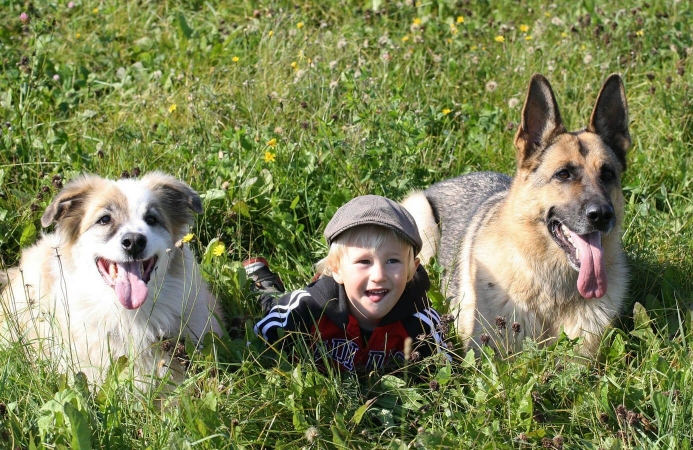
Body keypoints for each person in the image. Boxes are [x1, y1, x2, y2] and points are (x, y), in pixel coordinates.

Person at [246, 195, 447, 372]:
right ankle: (263, 282)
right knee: (271, 303)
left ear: (412, 269)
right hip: (297, 308)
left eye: (393, 261)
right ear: (336, 268)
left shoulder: (422, 323)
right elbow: (256, 344)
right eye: (363, 261)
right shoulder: (306, 310)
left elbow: (445, 373)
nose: (378, 275)